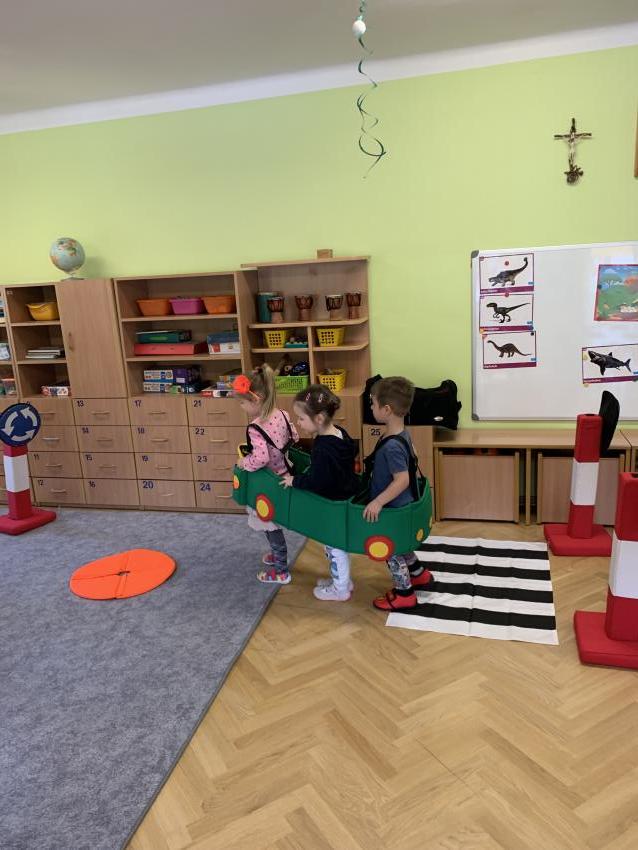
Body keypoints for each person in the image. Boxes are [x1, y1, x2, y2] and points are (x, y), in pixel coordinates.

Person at [281, 384, 359, 601]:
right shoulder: (339, 432)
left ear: (319, 418)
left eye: (301, 418)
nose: (298, 423)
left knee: (335, 547)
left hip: (333, 503)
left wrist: (295, 480)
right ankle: (341, 581)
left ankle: (341, 589)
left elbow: (318, 481)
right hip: (345, 494)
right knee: (336, 546)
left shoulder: (323, 448)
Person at [363, 376, 433, 610]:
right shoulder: (402, 434)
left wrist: (378, 502)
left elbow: (402, 480)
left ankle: (404, 594)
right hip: (401, 504)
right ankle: (419, 574)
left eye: (372, 404)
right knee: (402, 545)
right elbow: (413, 455)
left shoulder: (392, 444)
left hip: (393, 507)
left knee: (391, 551)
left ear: (386, 410)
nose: (370, 408)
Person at [233, 366, 299, 584]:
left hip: (268, 482)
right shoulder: (282, 414)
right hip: (285, 472)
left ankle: (281, 571)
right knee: (272, 523)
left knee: (270, 525)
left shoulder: (255, 427)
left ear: (256, 399)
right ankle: (277, 555)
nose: (241, 407)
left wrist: (244, 462)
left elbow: (261, 458)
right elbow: (295, 437)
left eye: (242, 403)